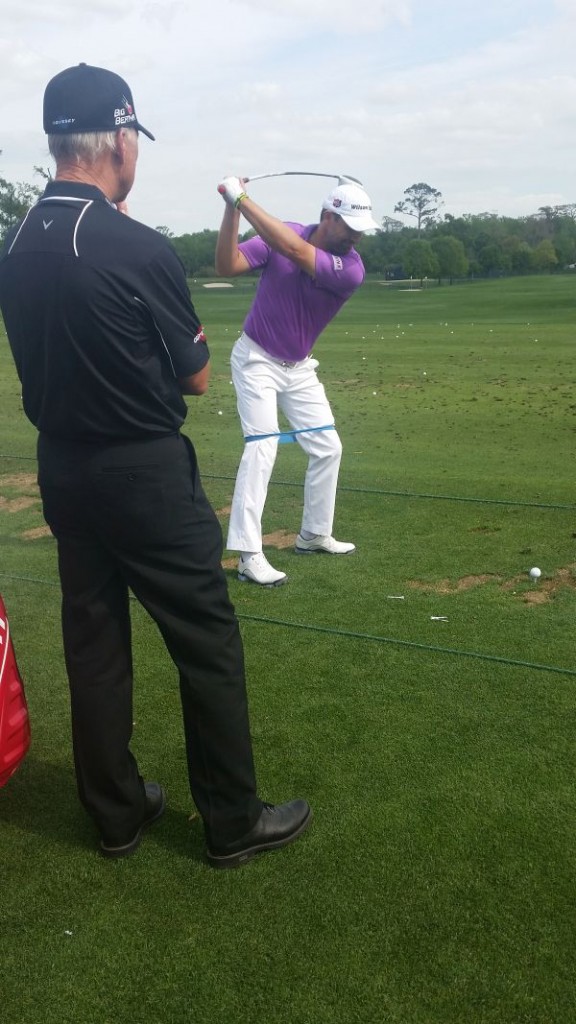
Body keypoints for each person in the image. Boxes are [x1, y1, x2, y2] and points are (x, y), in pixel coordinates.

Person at [0, 63, 311, 866]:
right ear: (118, 141)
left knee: (94, 642)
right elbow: (196, 374)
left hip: (62, 468)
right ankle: (232, 821)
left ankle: (115, 814)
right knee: (205, 638)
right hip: (141, 470)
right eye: (134, 136)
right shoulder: (133, 245)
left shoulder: (17, 241)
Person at [215, 175, 381, 587]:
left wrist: (241, 196)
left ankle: (313, 535)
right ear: (328, 216)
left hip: (299, 368)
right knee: (263, 445)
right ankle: (249, 554)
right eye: (350, 228)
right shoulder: (284, 232)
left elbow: (292, 249)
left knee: (328, 446)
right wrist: (230, 208)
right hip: (256, 360)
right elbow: (227, 265)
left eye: (362, 231)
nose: (356, 239)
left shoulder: (351, 270)